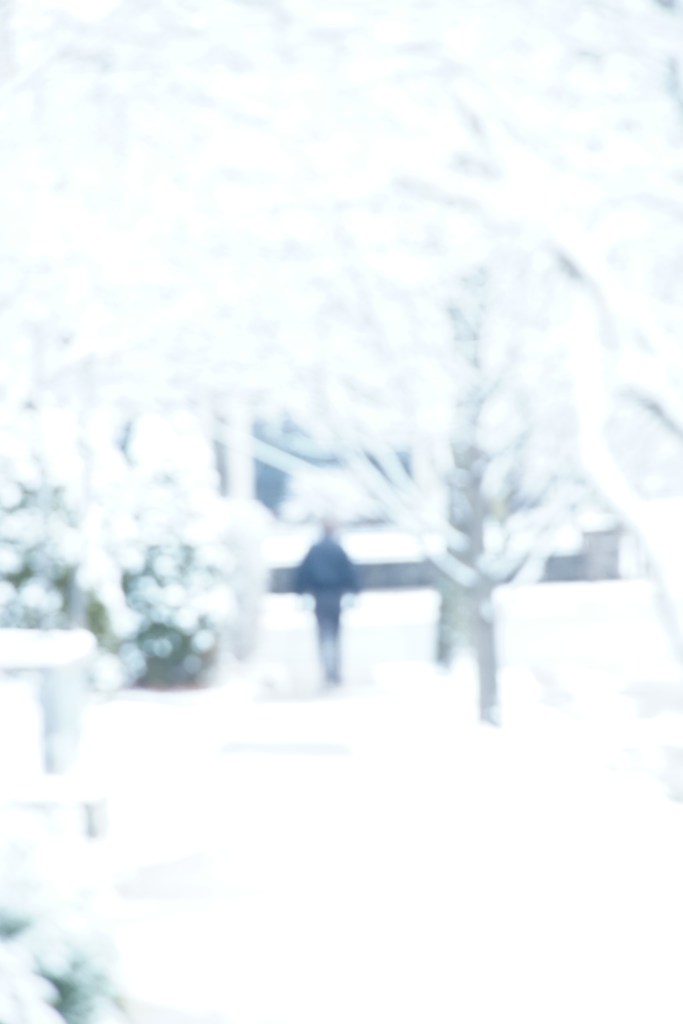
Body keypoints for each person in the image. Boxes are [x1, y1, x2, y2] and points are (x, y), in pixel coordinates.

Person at [294, 518, 360, 687]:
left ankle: (327, 668)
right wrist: (353, 591)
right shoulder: (338, 549)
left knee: (323, 632)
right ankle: (334, 670)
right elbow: (350, 573)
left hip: (320, 596)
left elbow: (303, 574)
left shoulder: (315, 550)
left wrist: (301, 592)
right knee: (335, 633)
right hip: (335, 595)